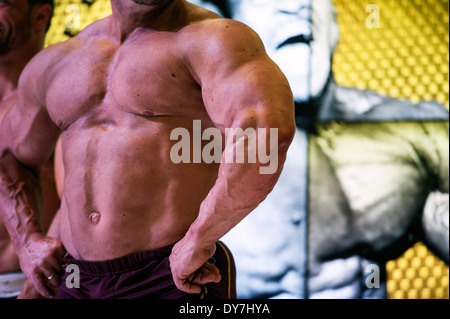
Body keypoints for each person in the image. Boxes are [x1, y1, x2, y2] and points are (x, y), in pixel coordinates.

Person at [0, 0, 296, 299]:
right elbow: (9, 156)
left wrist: (200, 238)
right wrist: (27, 241)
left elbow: (267, 134)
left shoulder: (213, 39)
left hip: (171, 274)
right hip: (75, 278)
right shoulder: (59, 60)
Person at [190, 0, 449, 299]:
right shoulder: (179, 150)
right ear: (224, 23)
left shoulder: (416, 136)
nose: (295, 7)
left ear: (334, 19)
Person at [0, 0, 59, 299]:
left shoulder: (59, 96)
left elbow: (83, 199)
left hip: (32, 284)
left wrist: (39, 284)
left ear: (40, 15)